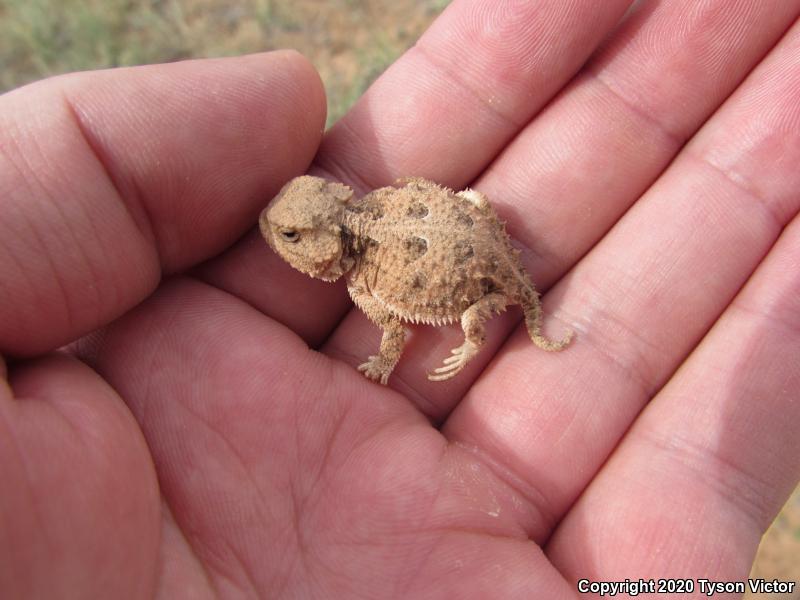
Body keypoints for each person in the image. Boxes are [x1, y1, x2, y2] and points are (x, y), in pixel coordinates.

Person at [2, 1, 799, 597]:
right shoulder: (376, 200)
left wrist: (392, 364)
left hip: (473, 275)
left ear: (326, 245)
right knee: (481, 243)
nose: (277, 236)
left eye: (289, 238)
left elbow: (389, 336)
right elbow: (444, 200)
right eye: (286, 231)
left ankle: (499, 315)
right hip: (477, 224)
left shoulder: (365, 284)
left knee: (475, 305)